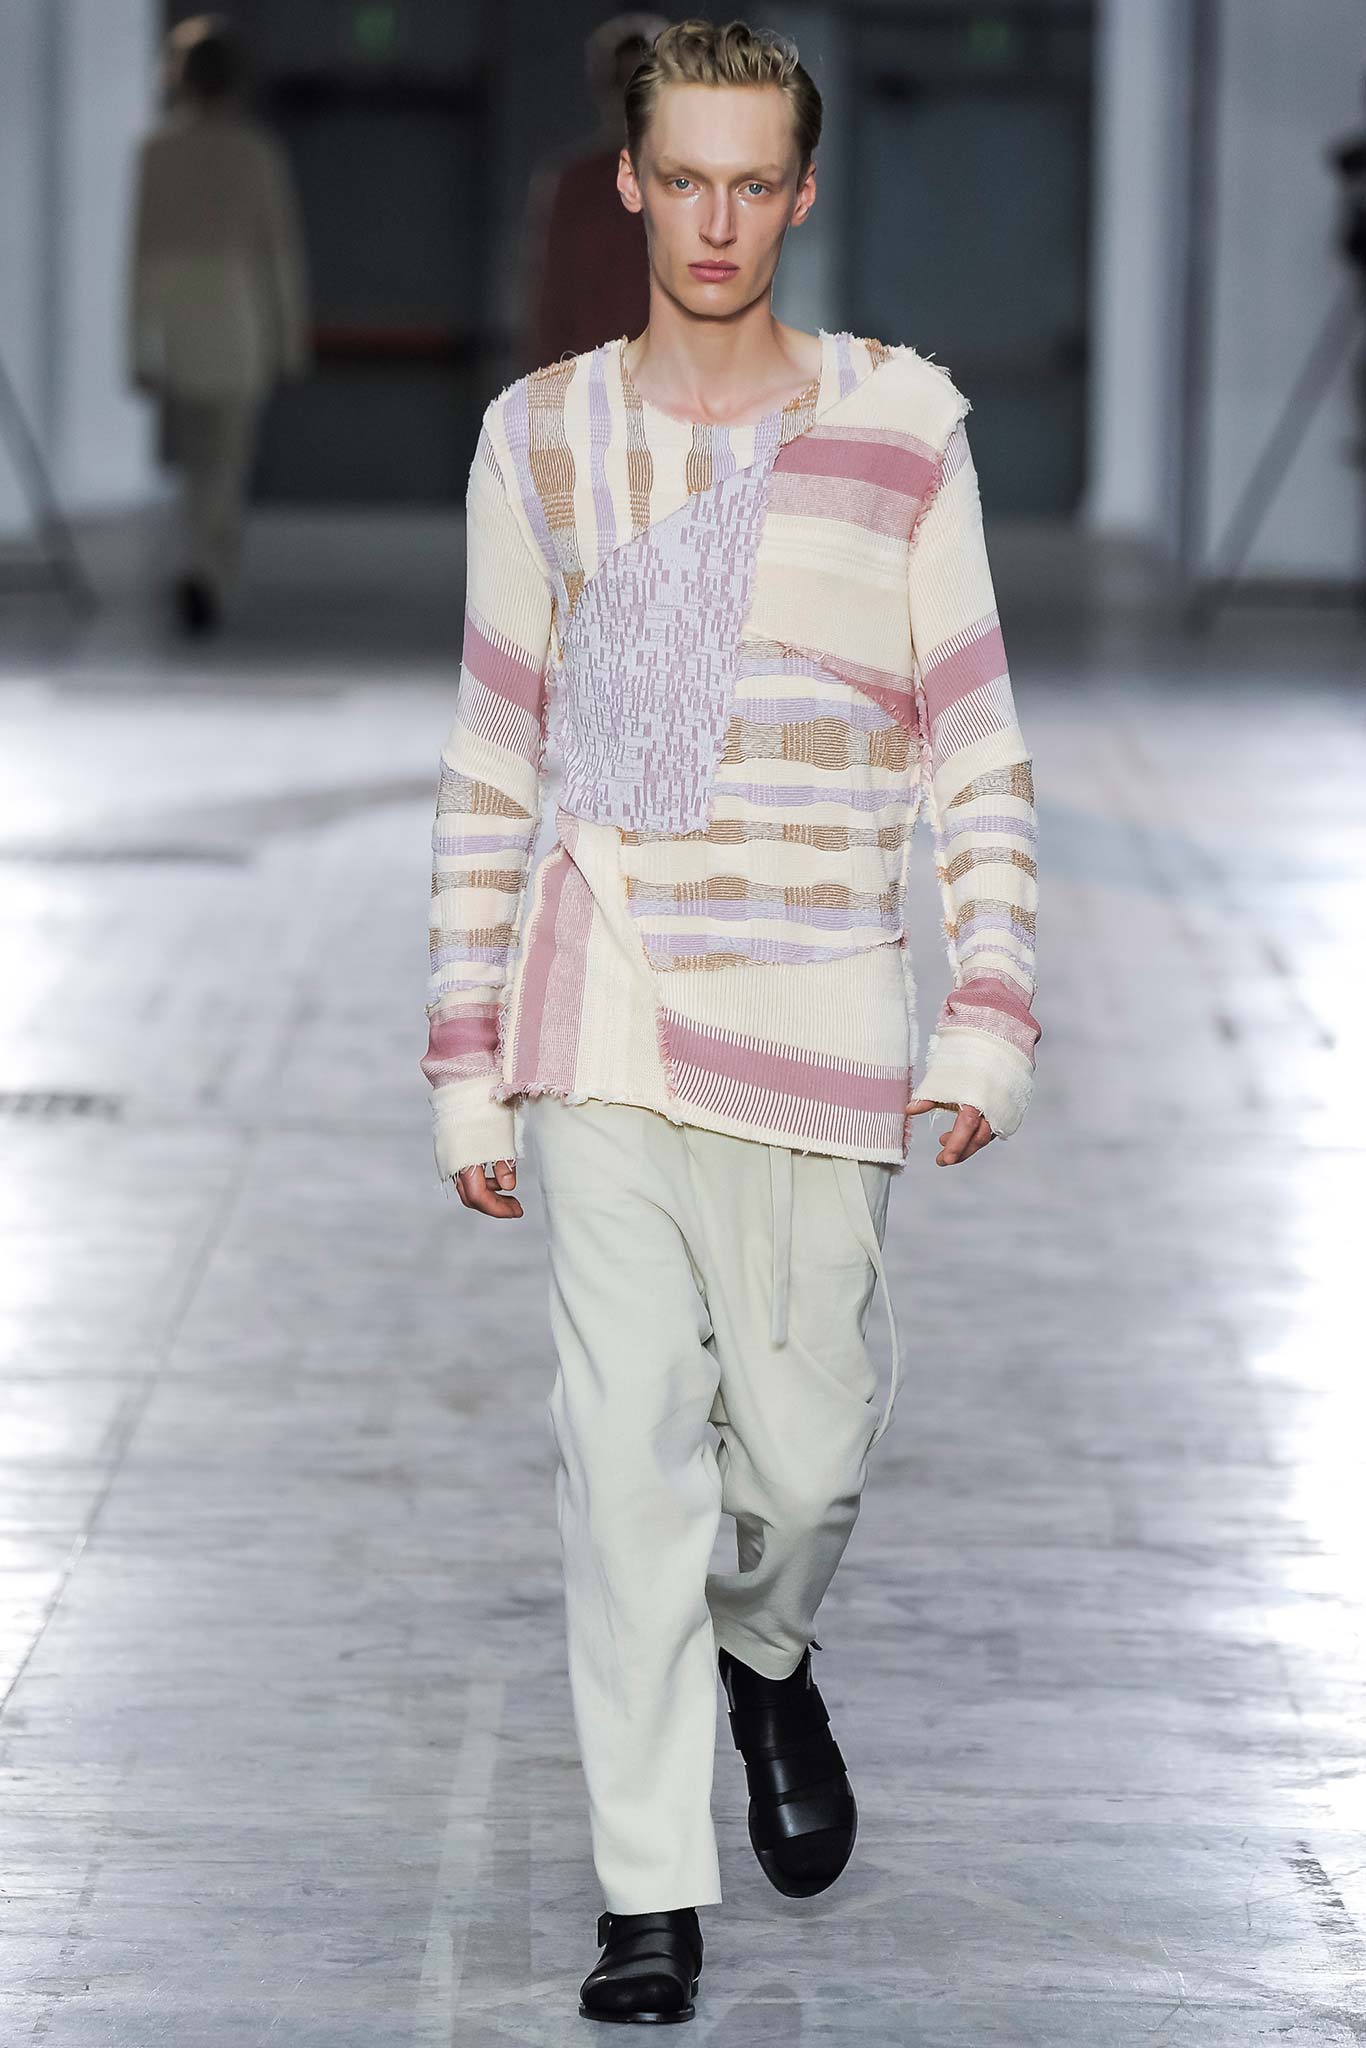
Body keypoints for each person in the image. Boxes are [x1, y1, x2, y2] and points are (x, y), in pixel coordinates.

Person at [421, 15, 1041, 2025]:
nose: (712, 220)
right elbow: (492, 764)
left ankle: (767, 1660)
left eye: (749, 182)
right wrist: (465, 1062)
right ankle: (646, 1897)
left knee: (804, 1460)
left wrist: (988, 1009)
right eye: (678, 178)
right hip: (601, 995)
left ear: (798, 190)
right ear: (628, 179)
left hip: (825, 1009)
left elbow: (973, 739)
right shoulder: (538, 439)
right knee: (624, 1469)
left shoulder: (898, 430)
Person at [127, 15, 311, 634]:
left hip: (178, 324)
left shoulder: (157, 153)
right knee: (227, 465)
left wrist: (137, 347)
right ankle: (208, 570)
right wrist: (290, 340)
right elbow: (279, 254)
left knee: (191, 465)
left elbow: (141, 257)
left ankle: (194, 562)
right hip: (238, 320)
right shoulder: (255, 153)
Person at [518, 13, 670, 372]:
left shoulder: (690, 183)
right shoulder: (575, 184)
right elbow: (551, 302)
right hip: (589, 379)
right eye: (621, 82)